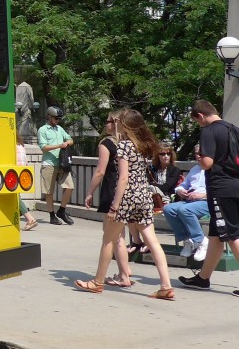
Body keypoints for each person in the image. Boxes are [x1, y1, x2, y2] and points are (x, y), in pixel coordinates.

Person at [76, 108, 175, 300]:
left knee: (108, 240)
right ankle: (166, 286)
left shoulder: (124, 146)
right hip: (144, 196)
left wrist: (114, 206)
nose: (116, 123)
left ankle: (97, 282)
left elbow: (122, 179)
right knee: (153, 242)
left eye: (119, 120)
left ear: (126, 125)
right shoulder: (144, 145)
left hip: (127, 198)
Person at [179, 100, 239, 295]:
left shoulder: (209, 131)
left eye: (197, 121)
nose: (199, 125)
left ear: (200, 116)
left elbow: (207, 162)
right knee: (216, 237)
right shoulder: (233, 129)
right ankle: (203, 279)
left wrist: (200, 157)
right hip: (235, 185)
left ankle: (203, 278)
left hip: (220, 188)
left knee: (232, 235)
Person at [83, 110, 133, 286]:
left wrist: (89, 192)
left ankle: (123, 275)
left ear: (115, 123)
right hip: (128, 192)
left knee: (112, 236)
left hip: (112, 190)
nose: (106, 124)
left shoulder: (106, 143)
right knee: (120, 235)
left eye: (108, 121)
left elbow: (100, 171)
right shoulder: (129, 142)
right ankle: (124, 271)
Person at [164, 146, 209, 262]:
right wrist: (180, 191)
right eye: (196, 154)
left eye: (201, 153)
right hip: (190, 200)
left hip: (207, 202)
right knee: (168, 209)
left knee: (184, 210)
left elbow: (220, 190)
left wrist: (202, 195)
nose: (198, 156)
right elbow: (183, 185)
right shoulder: (195, 169)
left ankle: (201, 241)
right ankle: (188, 240)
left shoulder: (215, 169)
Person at [38, 106, 75, 225]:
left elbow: (70, 140)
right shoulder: (42, 130)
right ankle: (52, 215)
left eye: (59, 119)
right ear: (49, 117)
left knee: (69, 187)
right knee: (49, 191)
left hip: (62, 163)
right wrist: (59, 146)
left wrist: (67, 143)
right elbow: (43, 148)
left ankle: (62, 211)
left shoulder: (60, 129)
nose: (58, 121)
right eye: (56, 118)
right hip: (49, 164)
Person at [16, 134, 38, 231]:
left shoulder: (12, 145)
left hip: (15, 172)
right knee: (17, 196)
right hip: (23, 173)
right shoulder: (20, 144)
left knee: (15, 197)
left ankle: (30, 219)